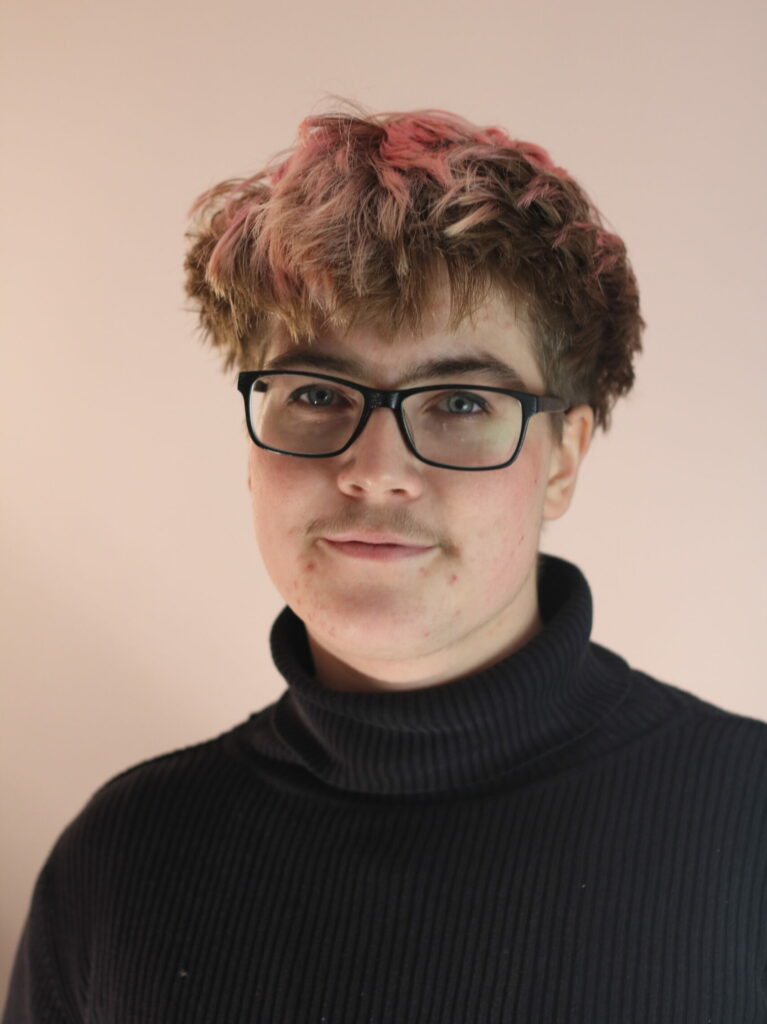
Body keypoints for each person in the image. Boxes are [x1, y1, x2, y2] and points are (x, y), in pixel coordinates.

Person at [4, 101, 766, 1023]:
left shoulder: (748, 823)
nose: (373, 471)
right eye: (319, 392)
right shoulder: (121, 858)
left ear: (561, 458)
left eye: (457, 402)